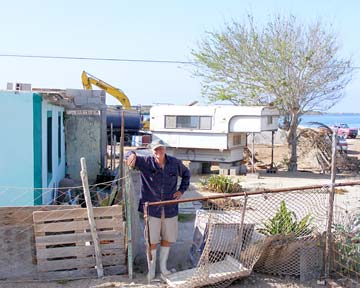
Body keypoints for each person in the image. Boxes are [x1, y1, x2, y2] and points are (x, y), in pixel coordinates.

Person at [125, 139, 190, 281]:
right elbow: (128, 154)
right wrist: (131, 155)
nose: (158, 152)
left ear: (165, 149)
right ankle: (151, 271)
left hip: (170, 208)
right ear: (151, 151)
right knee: (151, 241)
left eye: (161, 149)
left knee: (167, 239)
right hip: (152, 209)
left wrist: (181, 191)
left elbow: (186, 175)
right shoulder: (146, 162)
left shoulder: (174, 163)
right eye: (155, 150)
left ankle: (164, 268)